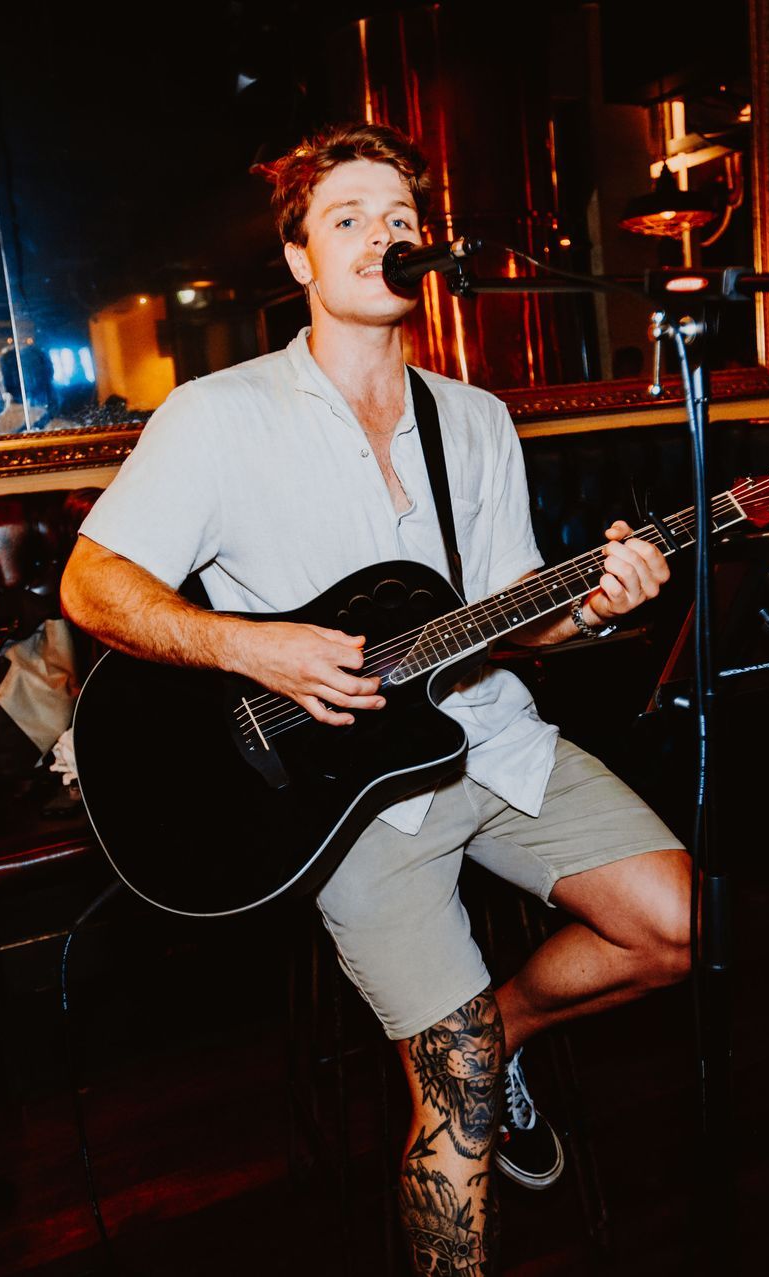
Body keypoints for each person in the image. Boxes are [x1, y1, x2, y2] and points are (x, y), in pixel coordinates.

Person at [59, 122, 690, 1274]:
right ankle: (473, 1071)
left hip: (489, 738)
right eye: (347, 217)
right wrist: (251, 649)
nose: (383, 235)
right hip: (342, 792)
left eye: (401, 219)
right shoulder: (217, 414)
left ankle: (504, 1031)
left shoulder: (477, 418)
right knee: (453, 1115)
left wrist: (598, 602)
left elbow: (517, 618)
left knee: (678, 928)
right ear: (298, 256)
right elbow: (92, 585)